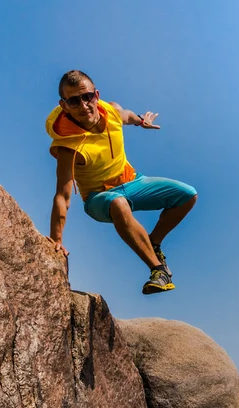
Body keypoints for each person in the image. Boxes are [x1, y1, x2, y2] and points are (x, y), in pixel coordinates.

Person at [45, 70, 197, 294]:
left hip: (132, 181)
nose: (84, 105)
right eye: (74, 101)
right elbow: (63, 196)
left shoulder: (110, 111)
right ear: (64, 105)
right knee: (117, 203)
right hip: (99, 197)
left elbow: (126, 115)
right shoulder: (68, 147)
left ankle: (153, 242)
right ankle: (158, 270)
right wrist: (56, 240)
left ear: (96, 95)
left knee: (187, 195)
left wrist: (140, 121)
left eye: (87, 97)